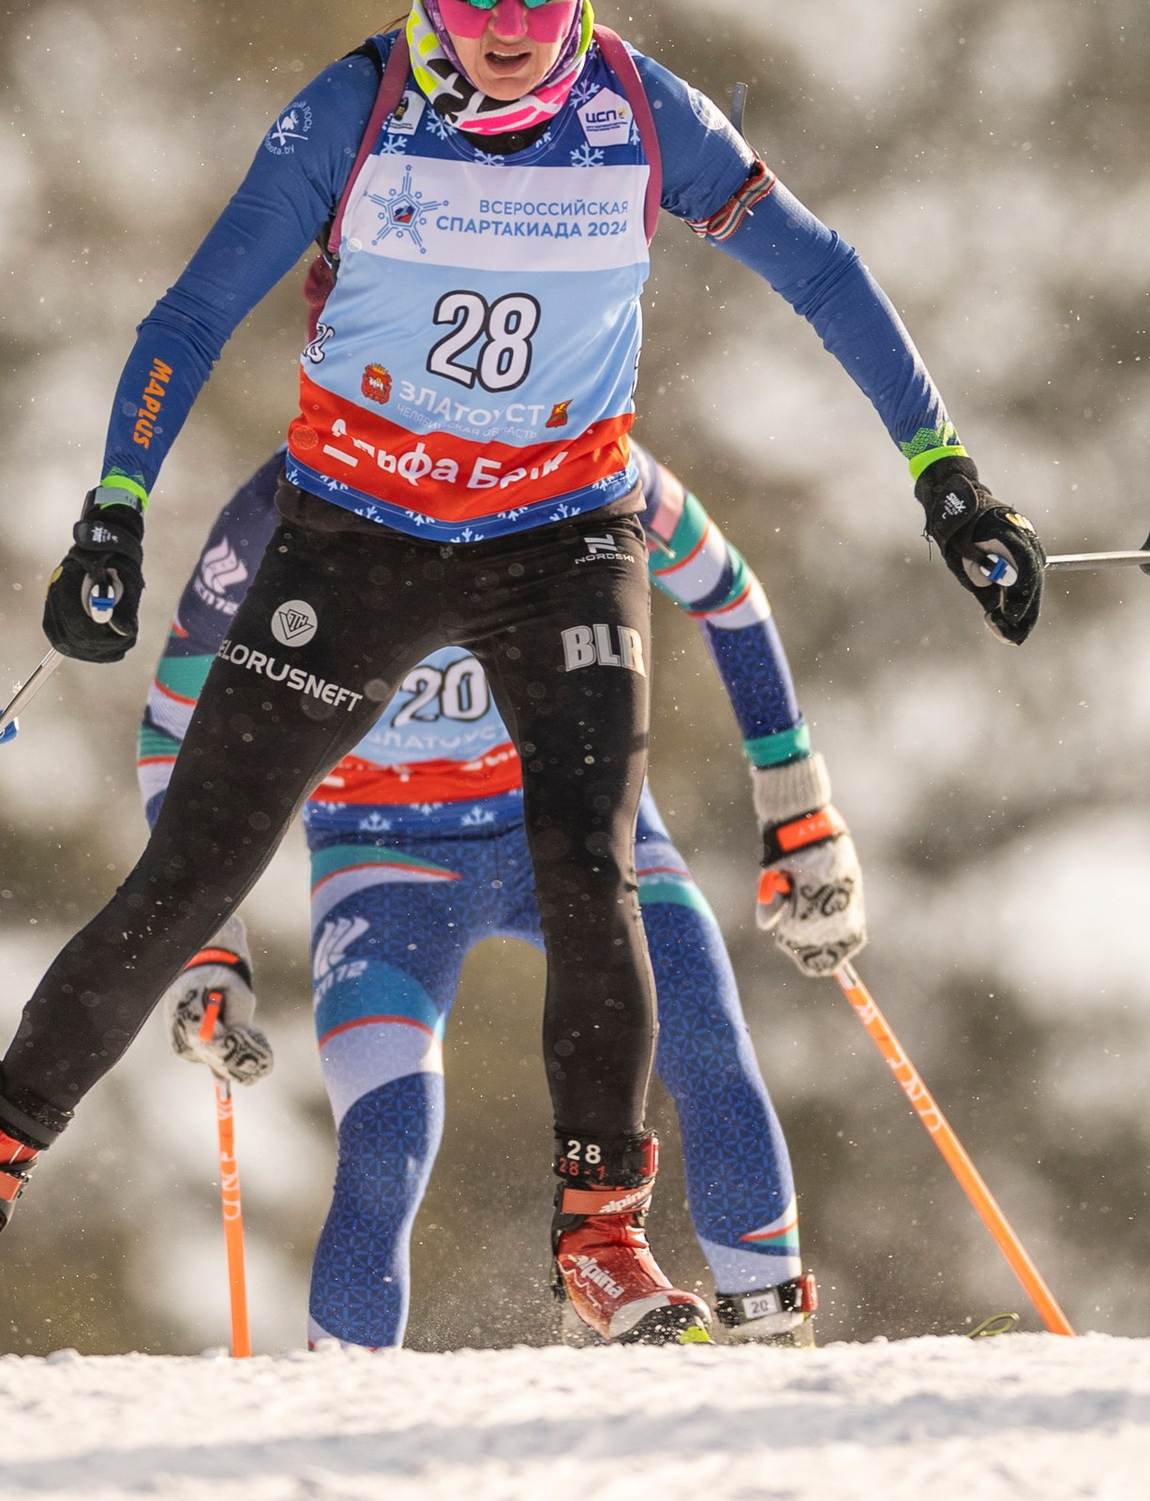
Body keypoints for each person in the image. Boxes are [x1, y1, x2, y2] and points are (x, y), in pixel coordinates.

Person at [0, 0, 1041, 1350]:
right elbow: (191, 314)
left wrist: (945, 473)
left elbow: (823, 271)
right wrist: (113, 515)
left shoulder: (645, 114)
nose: (507, 25)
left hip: (559, 538)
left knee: (592, 864)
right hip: (360, 538)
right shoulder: (354, 109)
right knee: (192, 870)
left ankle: (602, 1236)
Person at [153, 443, 853, 1350]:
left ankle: (774, 1345)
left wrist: (798, 809)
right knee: (386, 1142)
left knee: (707, 1042)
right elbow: (170, 724)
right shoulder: (287, 494)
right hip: (383, 856)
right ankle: (340, 1402)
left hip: (575, 816)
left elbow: (728, 594)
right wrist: (207, 941)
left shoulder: (584, 444)